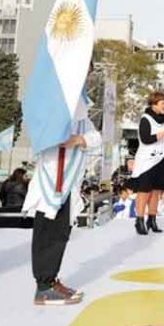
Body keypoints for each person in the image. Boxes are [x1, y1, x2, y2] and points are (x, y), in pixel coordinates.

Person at [22, 96, 101, 305]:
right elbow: (41, 133)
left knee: (60, 234)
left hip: (67, 182)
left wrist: (79, 140)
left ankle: (50, 279)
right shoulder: (52, 106)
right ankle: (44, 286)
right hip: (51, 182)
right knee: (48, 233)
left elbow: (96, 137)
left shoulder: (80, 114)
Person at [130, 91, 164, 235]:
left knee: (156, 191)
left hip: (161, 158)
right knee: (144, 191)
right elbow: (146, 139)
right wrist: (163, 134)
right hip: (147, 160)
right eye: (163, 103)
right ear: (154, 104)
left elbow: (163, 138)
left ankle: (152, 219)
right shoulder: (145, 119)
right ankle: (139, 220)